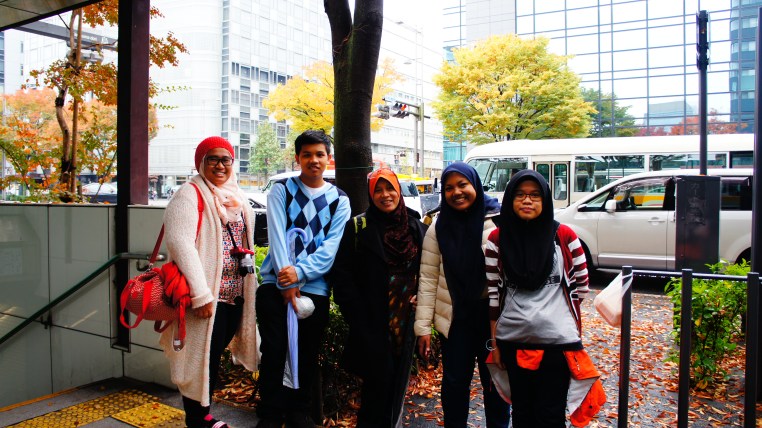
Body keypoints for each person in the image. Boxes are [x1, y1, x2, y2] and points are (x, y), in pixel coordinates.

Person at [485, 169, 606, 427]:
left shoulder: (564, 237)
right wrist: (494, 344)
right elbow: (494, 294)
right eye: (520, 195)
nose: (527, 200)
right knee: (522, 413)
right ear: (509, 199)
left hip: (557, 344)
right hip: (512, 340)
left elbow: (581, 286)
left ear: (545, 200)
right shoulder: (497, 239)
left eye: (535, 195)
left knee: (551, 414)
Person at [161, 136, 259, 428]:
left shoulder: (236, 197)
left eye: (225, 159)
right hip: (205, 298)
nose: (220, 165)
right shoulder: (189, 194)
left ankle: (202, 415)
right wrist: (201, 295)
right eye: (212, 159)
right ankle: (198, 419)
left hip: (233, 295)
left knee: (211, 356)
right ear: (200, 163)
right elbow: (180, 243)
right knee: (199, 357)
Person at [256, 130, 351, 428]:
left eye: (320, 154)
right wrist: (287, 281)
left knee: (307, 353)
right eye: (307, 154)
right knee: (274, 351)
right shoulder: (281, 191)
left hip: (315, 289)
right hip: (274, 286)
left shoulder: (339, 200)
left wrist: (299, 273)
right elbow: (276, 237)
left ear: (328, 159)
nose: (313, 160)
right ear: (297, 158)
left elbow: (330, 249)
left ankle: (299, 412)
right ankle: (270, 413)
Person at [414, 162, 511, 428]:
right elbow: (428, 279)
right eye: (449, 188)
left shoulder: (497, 220)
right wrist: (423, 328)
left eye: (462, 185)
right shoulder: (438, 227)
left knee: (495, 382)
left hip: (492, 319)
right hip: (455, 318)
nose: (456, 192)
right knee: (455, 383)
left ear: (475, 185)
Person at [332, 168, 428, 427]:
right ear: (370, 195)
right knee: (376, 390)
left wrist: (421, 299)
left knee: (397, 388)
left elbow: (429, 272)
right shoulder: (359, 227)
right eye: (378, 190)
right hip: (373, 323)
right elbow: (342, 275)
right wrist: (357, 317)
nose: (385, 195)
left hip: (405, 323)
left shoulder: (416, 227)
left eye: (390, 188)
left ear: (399, 191)